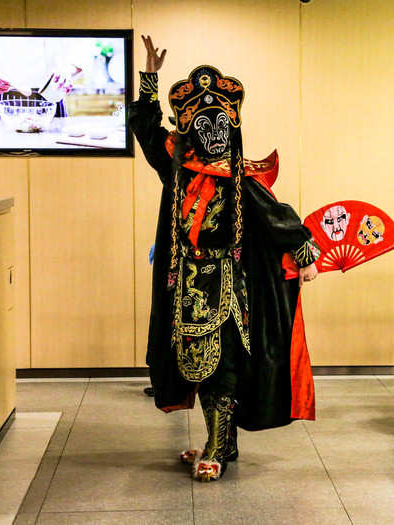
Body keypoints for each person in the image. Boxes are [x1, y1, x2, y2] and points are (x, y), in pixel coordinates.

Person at [129, 35, 319, 482]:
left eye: (221, 126)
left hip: (226, 288)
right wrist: (149, 80)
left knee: (222, 366)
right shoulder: (176, 166)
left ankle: (216, 446)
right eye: (204, 126)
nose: (214, 135)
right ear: (190, 130)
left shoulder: (238, 177)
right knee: (192, 364)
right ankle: (223, 441)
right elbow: (146, 130)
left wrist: (303, 251)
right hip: (185, 287)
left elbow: (275, 214)